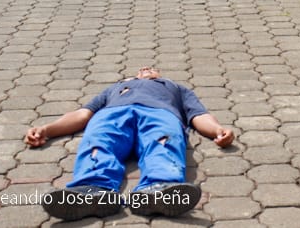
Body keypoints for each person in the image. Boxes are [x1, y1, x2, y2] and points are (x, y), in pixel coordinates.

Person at [24, 66, 235, 221]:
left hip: (159, 114)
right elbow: (82, 114)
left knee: (163, 141)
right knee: (98, 142)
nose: (145, 69)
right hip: (113, 115)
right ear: (132, 76)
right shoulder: (115, 88)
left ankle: (158, 188)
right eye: (141, 69)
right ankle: (92, 191)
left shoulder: (176, 88)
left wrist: (217, 130)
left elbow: (198, 115)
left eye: (152, 68)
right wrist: (47, 129)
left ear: (159, 75)